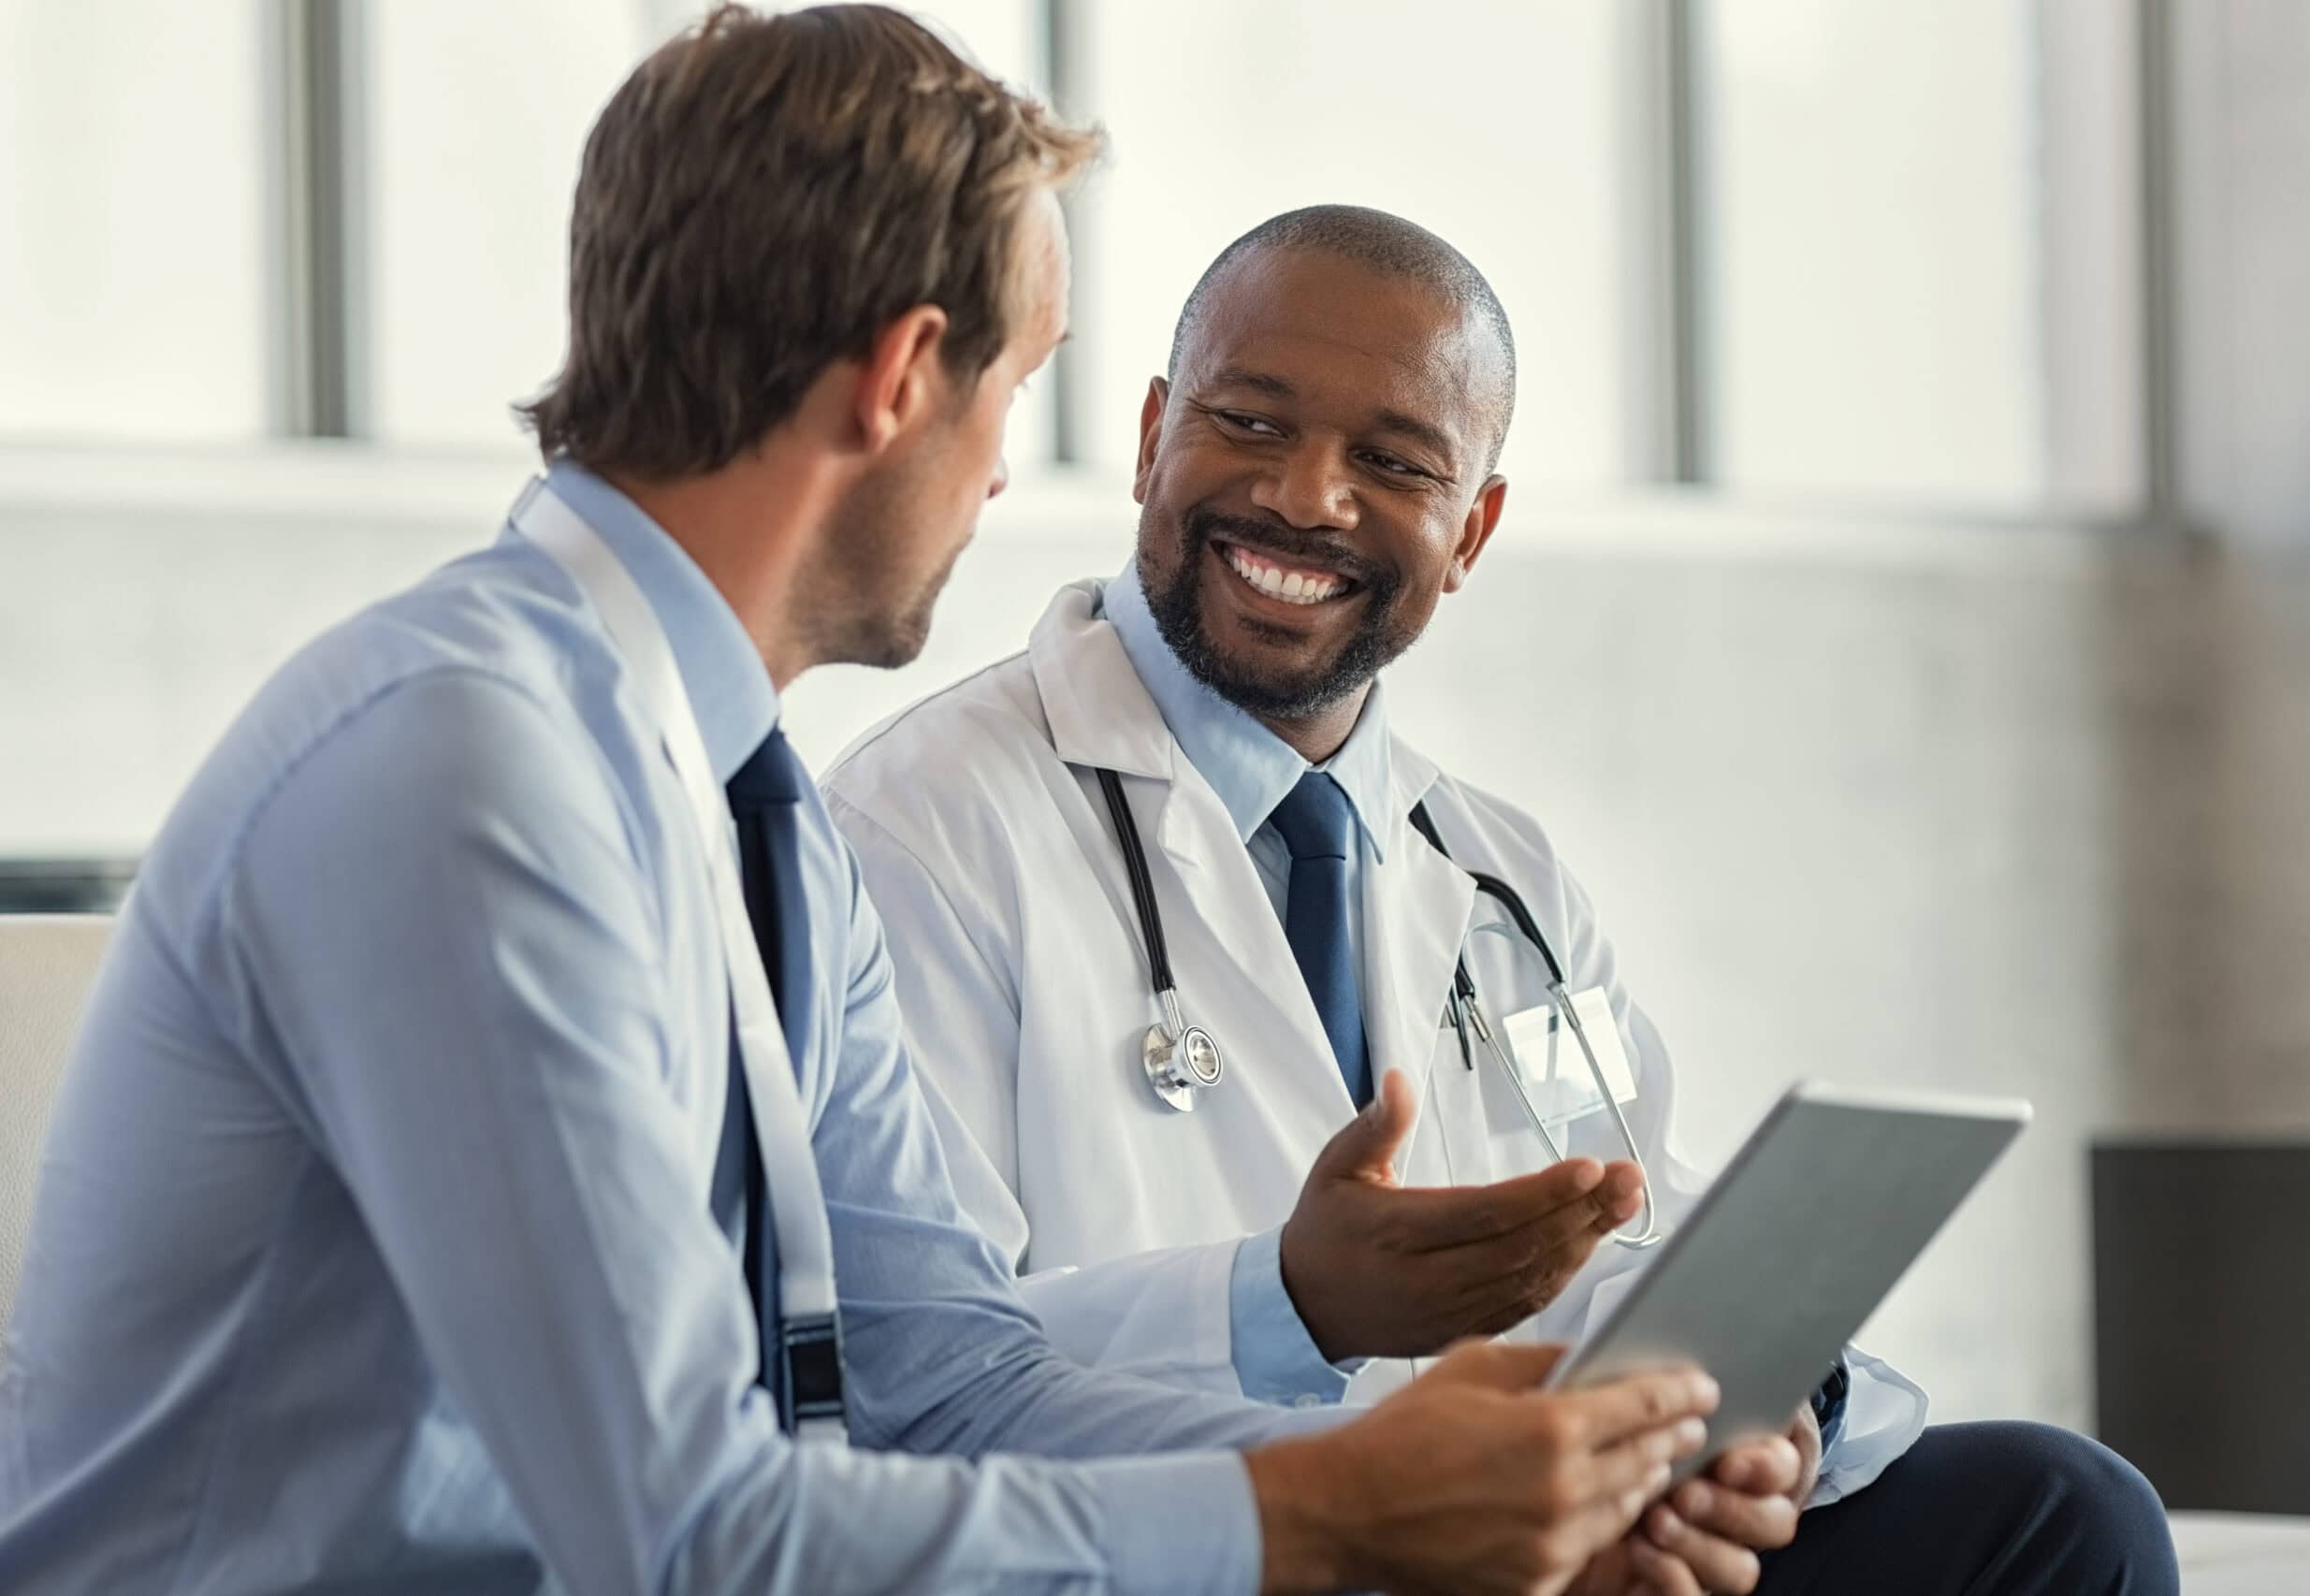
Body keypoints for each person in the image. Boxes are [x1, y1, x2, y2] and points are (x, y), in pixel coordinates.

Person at [0, 13, 1730, 1595]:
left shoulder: (753, 821)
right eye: (1019, 386)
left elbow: (947, 1382)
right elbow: (689, 1530)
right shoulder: (468, 774)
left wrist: (1453, 1478)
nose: (1001, 470)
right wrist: (1339, 1516)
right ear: (907, 374)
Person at [820, 205, 2180, 1595]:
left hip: (1528, 1544)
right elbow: (910, 1382)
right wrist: (1286, 1303)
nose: (1305, 497)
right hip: (1219, 1553)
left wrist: (1767, 1418)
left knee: (2060, 1513)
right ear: (1155, 433)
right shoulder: (921, 828)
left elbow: (1628, 1226)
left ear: (1470, 529)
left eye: (1392, 461)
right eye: (1252, 422)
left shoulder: (1496, 882)